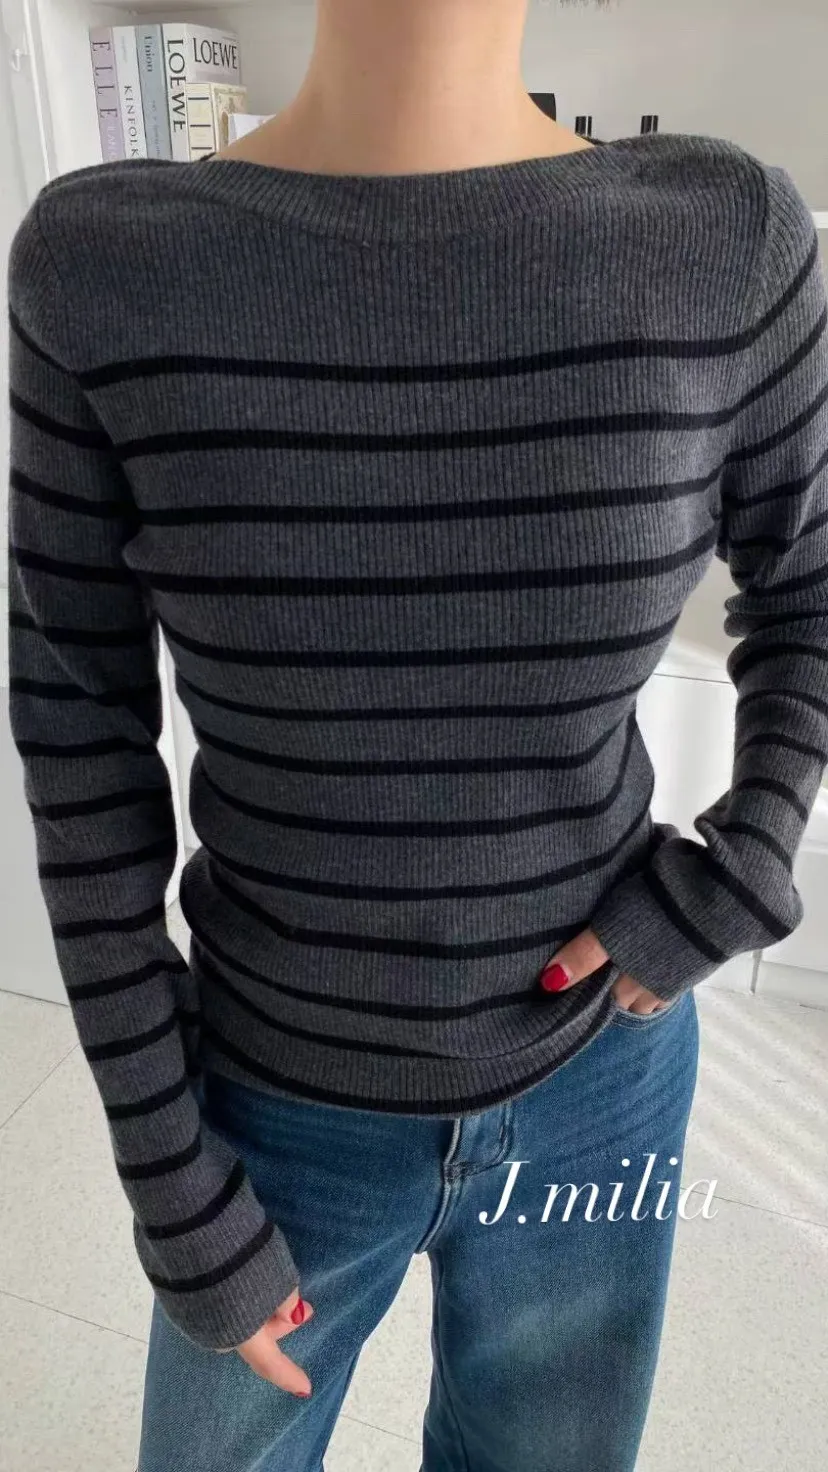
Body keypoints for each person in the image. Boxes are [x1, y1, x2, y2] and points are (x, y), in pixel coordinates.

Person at [7, 1, 828, 1468]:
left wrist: (738, 874)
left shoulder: (726, 241)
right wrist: (167, 1172)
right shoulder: (103, 266)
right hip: (267, 1109)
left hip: (603, 1080)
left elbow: (811, 589)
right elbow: (78, 733)